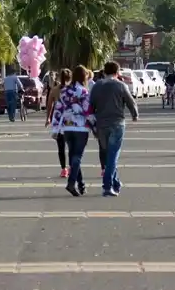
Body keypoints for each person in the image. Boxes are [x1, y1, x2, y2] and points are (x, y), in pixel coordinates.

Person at [89, 61, 139, 197]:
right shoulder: (121, 85)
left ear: (104, 72)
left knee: (107, 155)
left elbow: (91, 104)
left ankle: (116, 182)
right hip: (117, 123)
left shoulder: (97, 86)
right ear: (117, 73)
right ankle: (107, 186)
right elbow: (130, 102)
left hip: (101, 124)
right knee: (113, 155)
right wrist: (135, 115)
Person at [50, 66, 95, 197]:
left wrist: (55, 128)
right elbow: (88, 111)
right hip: (81, 128)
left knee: (74, 156)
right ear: (83, 77)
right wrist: (95, 127)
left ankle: (81, 185)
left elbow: (58, 110)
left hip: (67, 128)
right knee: (77, 156)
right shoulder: (84, 92)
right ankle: (71, 183)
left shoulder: (64, 91)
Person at [44, 68, 72, 179]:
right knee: (71, 146)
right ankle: (71, 166)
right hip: (70, 120)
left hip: (58, 120)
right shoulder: (73, 90)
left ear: (60, 77)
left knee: (61, 147)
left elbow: (49, 105)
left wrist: (48, 118)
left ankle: (63, 169)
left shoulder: (54, 90)